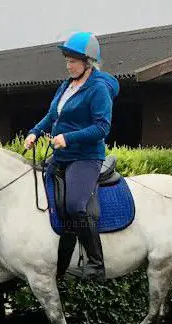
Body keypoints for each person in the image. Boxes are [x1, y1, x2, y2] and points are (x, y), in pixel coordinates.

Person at [24, 31, 119, 281]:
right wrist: (35, 132)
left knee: (76, 206)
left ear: (88, 62)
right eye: (67, 60)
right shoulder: (66, 85)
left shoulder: (98, 88)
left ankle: (96, 264)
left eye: (73, 61)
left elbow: (102, 128)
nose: (68, 65)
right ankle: (60, 265)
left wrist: (68, 138)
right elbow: (52, 116)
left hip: (86, 157)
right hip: (62, 157)